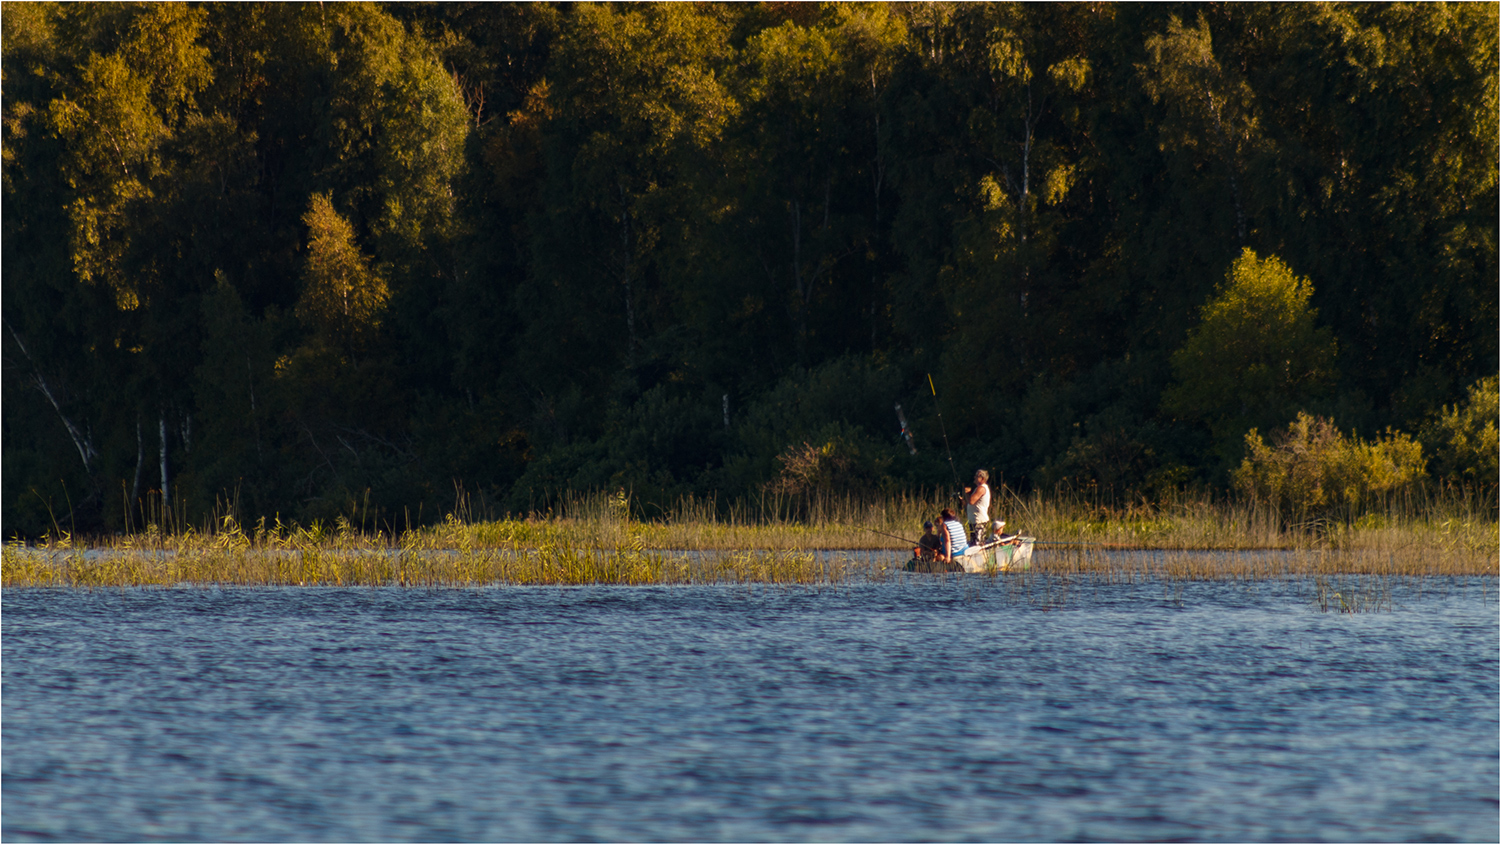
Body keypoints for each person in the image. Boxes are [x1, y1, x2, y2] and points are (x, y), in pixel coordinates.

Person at [962, 469, 992, 544]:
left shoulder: (981, 488)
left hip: (979, 521)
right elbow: (971, 504)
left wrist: (967, 493)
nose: (974, 477)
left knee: (978, 543)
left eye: (977, 476)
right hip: (974, 520)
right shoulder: (978, 488)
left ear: (982, 478)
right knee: (974, 542)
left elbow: (971, 501)